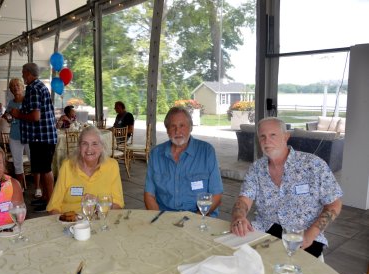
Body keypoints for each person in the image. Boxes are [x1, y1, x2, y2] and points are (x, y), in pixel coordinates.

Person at [230, 117, 343, 257]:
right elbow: (243, 200)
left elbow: (334, 204)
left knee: (290, 273)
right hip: (265, 230)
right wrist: (239, 216)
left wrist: (311, 234)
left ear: (286, 136)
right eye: (262, 136)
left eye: (273, 135)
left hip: (303, 235)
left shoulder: (313, 165)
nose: (266, 141)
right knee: (237, 258)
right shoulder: (256, 168)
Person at [144, 106, 223, 217]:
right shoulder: (156, 154)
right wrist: (159, 220)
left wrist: (194, 219)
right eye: (173, 126)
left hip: (200, 217)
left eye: (182, 126)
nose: (178, 131)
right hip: (165, 218)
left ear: (190, 128)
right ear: (167, 130)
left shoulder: (206, 152)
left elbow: (217, 195)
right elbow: (149, 195)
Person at [10, 63, 57, 212]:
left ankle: (50, 202)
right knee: (42, 169)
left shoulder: (34, 89)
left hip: (41, 136)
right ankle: (44, 198)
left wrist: (18, 114)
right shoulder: (38, 87)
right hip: (40, 136)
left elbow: (35, 116)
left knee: (45, 169)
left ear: (29, 73)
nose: (23, 76)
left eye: (24, 73)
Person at [48, 126, 124, 214]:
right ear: (79, 147)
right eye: (85, 143)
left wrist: (99, 203)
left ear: (102, 147)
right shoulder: (68, 166)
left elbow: (118, 205)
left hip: (101, 221)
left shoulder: (111, 166)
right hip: (72, 224)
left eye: (94, 143)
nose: (89, 149)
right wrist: (65, 223)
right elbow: (53, 207)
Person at [4, 78, 31, 191]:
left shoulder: (28, 101)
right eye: (13, 86)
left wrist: (18, 115)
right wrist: (8, 117)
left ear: (22, 87)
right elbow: (8, 117)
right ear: (10, 89)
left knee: (34, 161)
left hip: (28, 135)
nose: (15, 88)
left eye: (17, 85)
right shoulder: (10, 103)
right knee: (17, 163)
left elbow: (33, 117)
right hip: (14, 136)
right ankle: (20, 187)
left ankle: (38, 187)